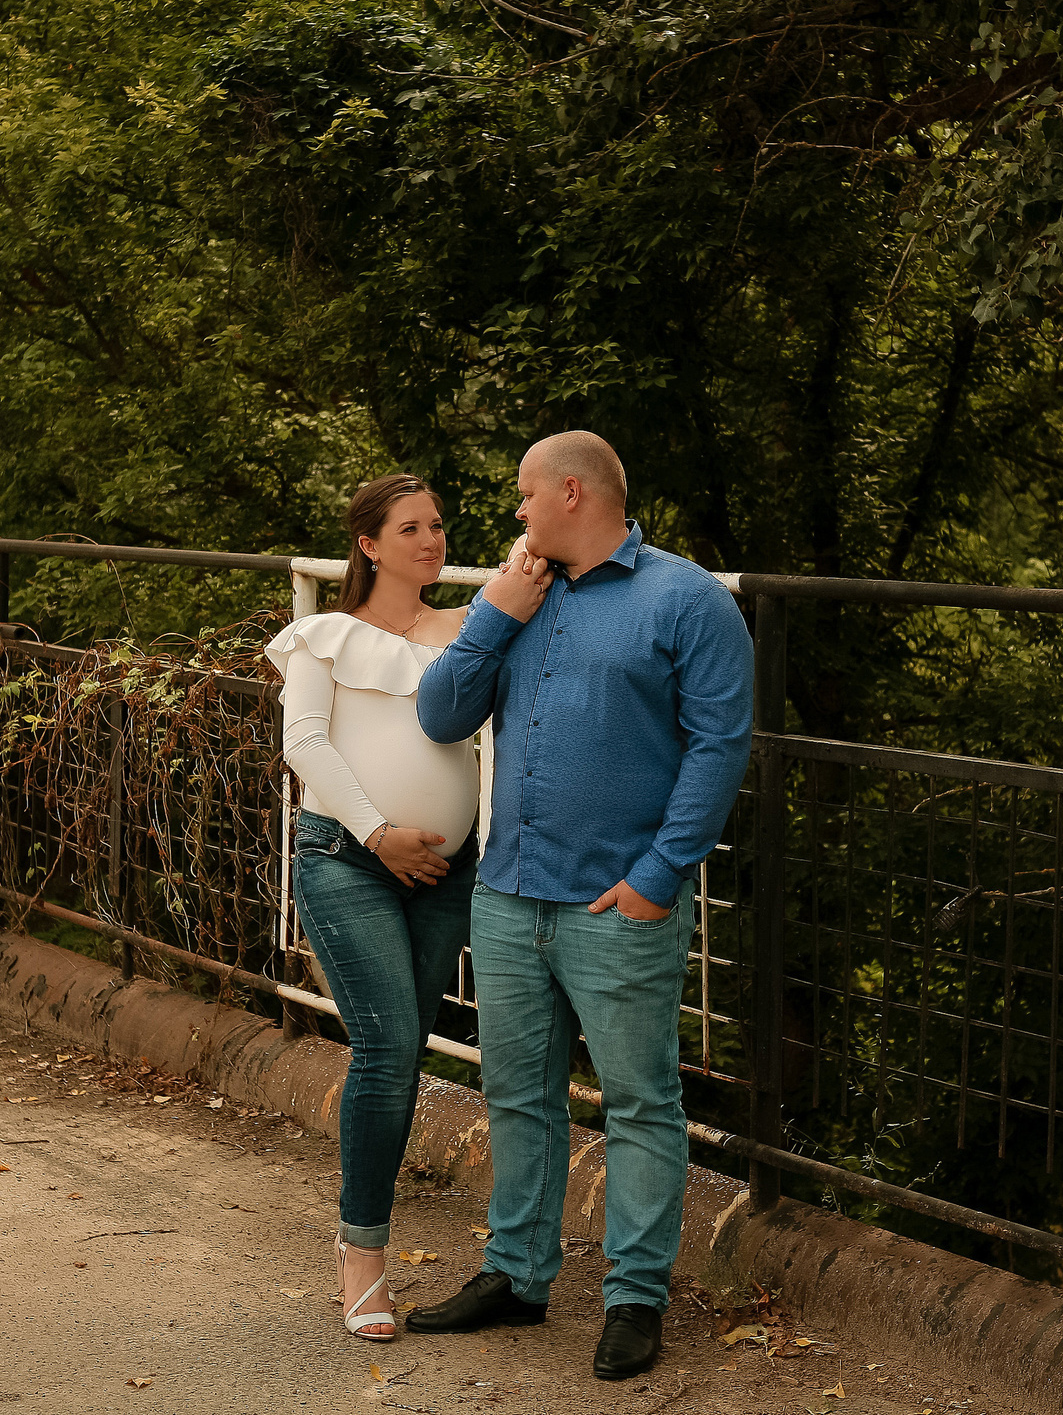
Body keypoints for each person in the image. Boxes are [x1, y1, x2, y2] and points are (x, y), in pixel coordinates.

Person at [409, 431, 753, 1382]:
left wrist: (658, 878)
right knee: (517, 1096)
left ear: (571, 492)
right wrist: (492, 612)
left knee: (640, 1104)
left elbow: (719, 744)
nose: (514, 513)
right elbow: (441, 714)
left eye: (524, 495)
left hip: (617, 907)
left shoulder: (686, 600)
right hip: (510, 895)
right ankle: (516, 1275)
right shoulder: (521, 591)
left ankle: (635, 1295)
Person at [264, 473, 486, 1343]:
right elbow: (304, 743)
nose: (430, 541)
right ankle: (363, 1258)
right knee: (390, 1046)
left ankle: (372, 1246)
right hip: (345, 859)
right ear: (368, 544)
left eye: (436, 526)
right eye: (410, 528)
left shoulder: (467, 631)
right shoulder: (326, 635)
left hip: (446, 871)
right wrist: (378, 828)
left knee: (406, 1047)